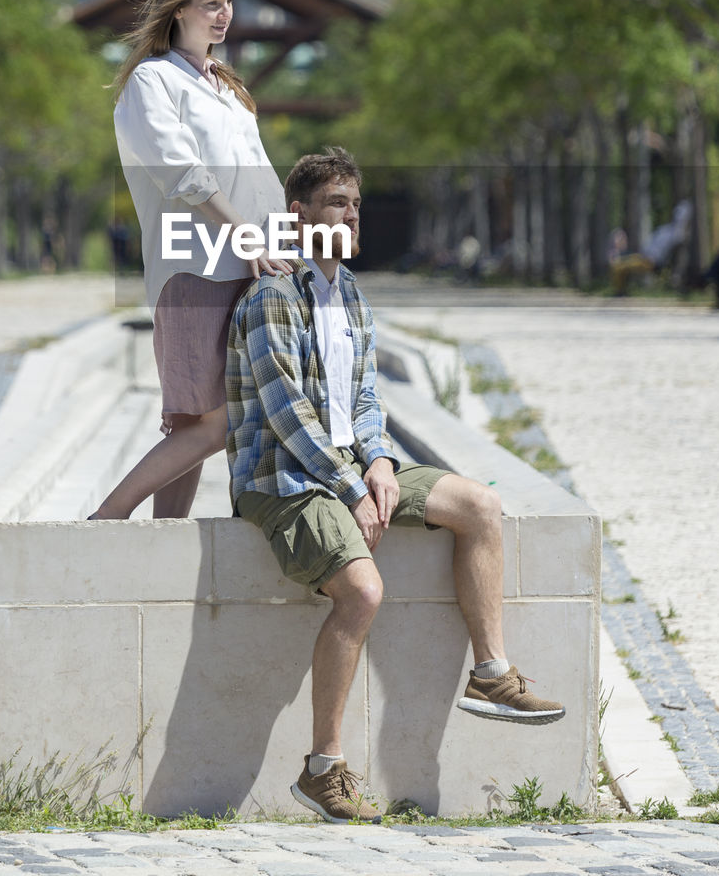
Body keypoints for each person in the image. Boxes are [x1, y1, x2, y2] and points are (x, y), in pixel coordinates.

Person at [226, 148, 565, 824]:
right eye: (335, 204)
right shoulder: (273, 294)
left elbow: (365, 398)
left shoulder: (348, 293)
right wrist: (351, 485)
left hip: (348, 468)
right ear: (298, 216)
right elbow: (286, 411)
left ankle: (492, 673)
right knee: (361, 589)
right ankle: (323, 769)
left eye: (354, 204)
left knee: (479, 504)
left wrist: (378, 463)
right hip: (281, 479)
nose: (350, 216)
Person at [90, 0, 288, 520]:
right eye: (210, 5)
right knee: (210, 421)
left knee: (192, 421)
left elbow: (259, 175)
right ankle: (107, 519)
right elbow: (183, 174)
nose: (223, 16)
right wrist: (249, 237)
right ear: (178, 10)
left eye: (229, 4)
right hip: (195, 268)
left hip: (248, 268)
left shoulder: (226, 86)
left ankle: (164, 534)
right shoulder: (152, 82)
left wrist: (283, 241)